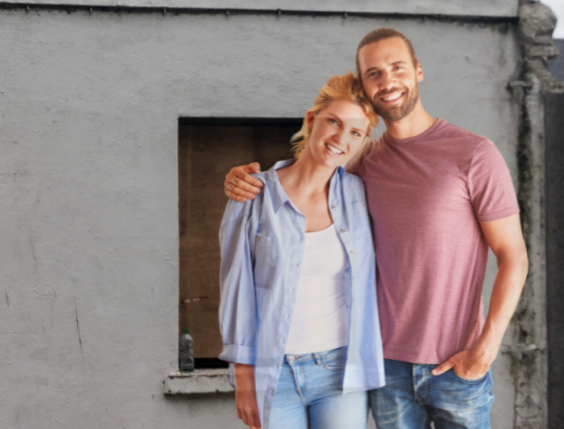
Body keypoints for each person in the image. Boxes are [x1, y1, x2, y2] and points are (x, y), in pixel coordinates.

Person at [224, 28, 529, 429]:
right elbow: (312, 172)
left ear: (418, 71)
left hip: (457, 365)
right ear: (366, 89)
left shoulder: (474, 153)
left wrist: (485, 350)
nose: (388, 81)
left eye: (397, 68)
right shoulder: (362, 164)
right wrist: (241, 181)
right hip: (384, 369)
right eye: (374, 74)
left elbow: (514, 257)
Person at [219, 72, 385, 429]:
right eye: (334, 123)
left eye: (355, 132)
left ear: (362, 142)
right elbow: (236, 290)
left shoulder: (360, 193)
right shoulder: (253, 194)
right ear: (312, 120)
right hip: (273, 372)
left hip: (340, 372)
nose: (341, 138)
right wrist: (244, 378)